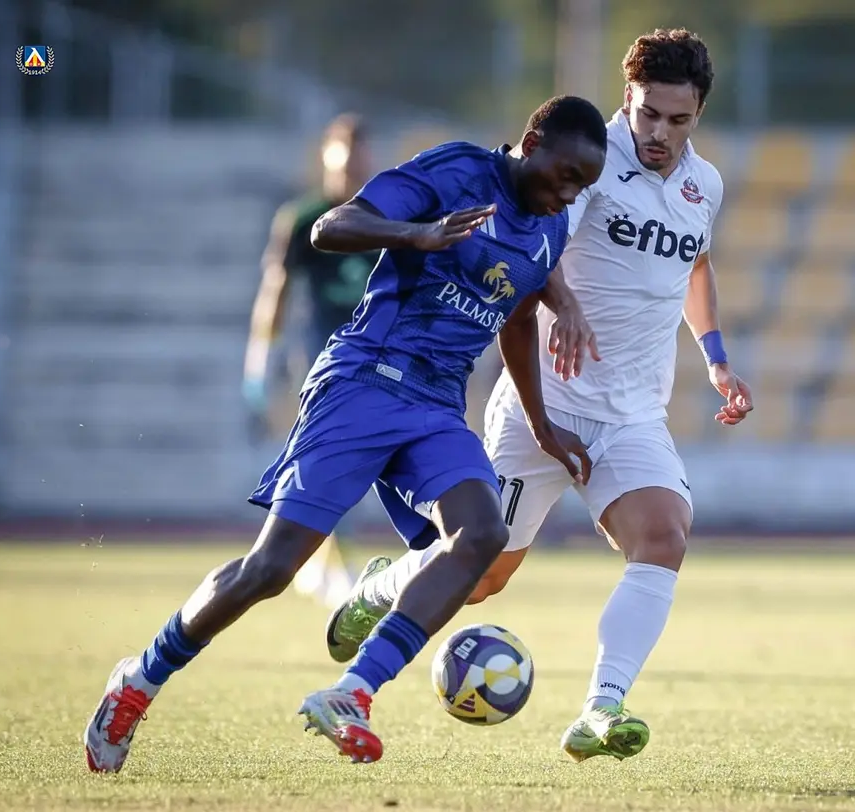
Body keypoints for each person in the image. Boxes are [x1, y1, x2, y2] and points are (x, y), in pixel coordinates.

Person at [83, 95, 609, 773]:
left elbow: (515, 316)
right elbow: (332, 227)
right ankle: (139, 680)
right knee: (271, 570)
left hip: (437, 405)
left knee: (483, 535)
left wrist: (542, 423)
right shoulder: (455, 171)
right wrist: (417, 234)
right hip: (364, 381)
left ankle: (352, 693)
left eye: (582, 186)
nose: (569, 195)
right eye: (565, 176)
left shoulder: (551, 225)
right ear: (532, 144)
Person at [323, 27, 753, 764]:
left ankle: (602, 709)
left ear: (699, 114)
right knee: (481, 576)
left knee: (664, 537)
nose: (659, 133)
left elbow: (695, 265)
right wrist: (567, 304)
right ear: (628, 97)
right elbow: (530, 244)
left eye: (678, 120)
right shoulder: (589, 163)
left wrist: (715, 358)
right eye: (648, 113)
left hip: (632, 415)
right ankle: (382, 587)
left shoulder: (702, 185)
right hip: (541, 406)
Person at [242, 113, 378, 607]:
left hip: (381, 357)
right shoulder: (303, 219)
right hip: (325, 357)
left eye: (358, 162)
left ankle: (321, 557)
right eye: (343, 164)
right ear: (326, 160)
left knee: (350, 461)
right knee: (331, 457)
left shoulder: (388, 216)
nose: (350, 173)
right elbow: (276, 289)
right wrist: (260, 357)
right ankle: (335, 561)